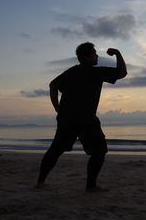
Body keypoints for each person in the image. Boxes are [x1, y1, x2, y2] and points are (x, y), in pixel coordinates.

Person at [36, 42, 127, 192]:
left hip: (67, 119)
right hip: (85, 119)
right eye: (94, 53)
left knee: (55, 150)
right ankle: (91, 186)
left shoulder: (72, 72)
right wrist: (117, 53)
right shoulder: (95, 72)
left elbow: (53, 85)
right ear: (85, 57)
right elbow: (122, 73)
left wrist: (57, 108)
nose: (97, 55)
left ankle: (40, 182)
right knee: (99, 151)